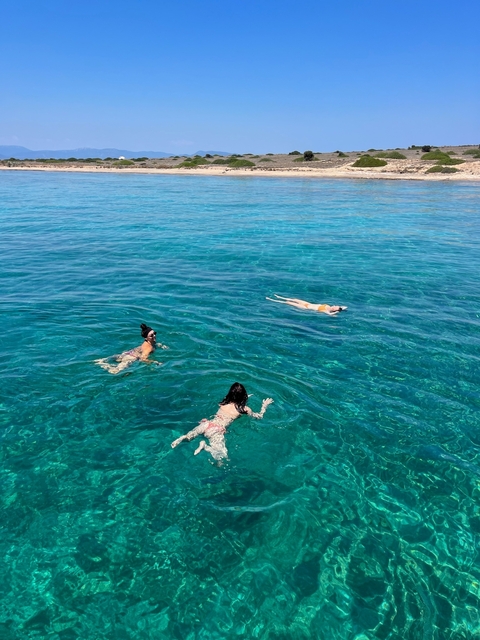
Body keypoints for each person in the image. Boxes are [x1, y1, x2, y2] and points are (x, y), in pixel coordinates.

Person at [171, 382, 273, 461]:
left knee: (189, 438)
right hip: (217, 430)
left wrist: (242, 397)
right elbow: (258, 417)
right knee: (222, 458)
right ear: (243, 397)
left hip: (206, 424)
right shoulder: (245, 410)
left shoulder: (223, 403)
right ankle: (206, 447)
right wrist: (264, 406)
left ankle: (183, 437)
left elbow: (232, 400)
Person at [95, 323, 167, 374]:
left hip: (128, 353)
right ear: (146, 338)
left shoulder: (150, 342)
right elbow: (143, 358)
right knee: (115, 371)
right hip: (131, 358)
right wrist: (155, 362)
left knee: (116, 359)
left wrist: (161, 345)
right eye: (151, 335)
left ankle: (102, 360)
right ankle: (103, 365)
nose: (154, 336)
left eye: (155, 333)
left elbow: (154, 344)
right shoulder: (148, 348)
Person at [266, 294, 347, 315]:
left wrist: (337, 312)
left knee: (289, 303)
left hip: (306, 308)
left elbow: (330, 314)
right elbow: (344, 307)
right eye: (335, 305)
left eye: (335, 307)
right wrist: (341, 309)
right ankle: (279, 297)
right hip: (308, 304)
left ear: (334, 310)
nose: (334, 305)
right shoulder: (328, 306)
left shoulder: (326, 310)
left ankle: (272, 300)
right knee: (295, 299)